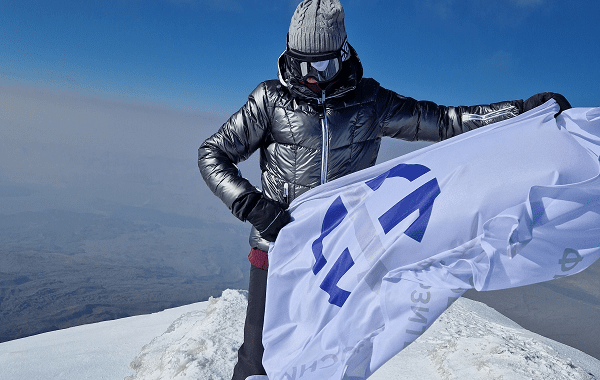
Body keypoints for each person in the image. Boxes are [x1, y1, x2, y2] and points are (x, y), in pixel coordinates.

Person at [197, 1, 571, 379]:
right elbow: (212, 153)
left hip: (347, 257)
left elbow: (441, 121)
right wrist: (250, 204)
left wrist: (520, 112)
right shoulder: (271, 101)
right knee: (256, 358)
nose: (310, 77)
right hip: (278, 251)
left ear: (342, 55)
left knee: (333, 357)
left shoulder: (370, 102)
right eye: (300, 64)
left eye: (322, 66)